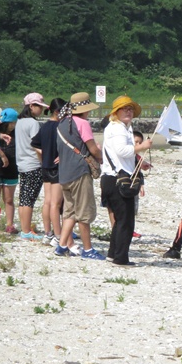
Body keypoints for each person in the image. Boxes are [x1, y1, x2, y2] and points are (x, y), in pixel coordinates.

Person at [100, 96, 152, 266]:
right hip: (117, 179)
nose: (128, 112)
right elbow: (122, 150)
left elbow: (121, 154)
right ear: (116, 112)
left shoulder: (122, 128)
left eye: (130, 109)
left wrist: (139, 161)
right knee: (126, 221)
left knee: (120, 219)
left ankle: (113, 253)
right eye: (125, 109)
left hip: (112, 177)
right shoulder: (117, 128)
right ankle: (120, 258)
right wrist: (142, 147)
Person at [55, 92, 104, 260]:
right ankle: (88, 249)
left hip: (64, 173)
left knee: (69, 211)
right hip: (79, 171)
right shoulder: (82, 123)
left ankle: (62, 245)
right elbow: (92, 148)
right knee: (84, 211)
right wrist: (100, 157)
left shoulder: (62, 123)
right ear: (85, 109)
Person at [31, 97, 69, 246]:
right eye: (65, 112)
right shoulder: (60, 127)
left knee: (47, 201)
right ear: (57, 111)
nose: (67, 115)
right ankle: (58, 235)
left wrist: (44, 155)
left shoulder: (45, 126)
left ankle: (48, 233)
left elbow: (34, 144)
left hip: (45, 166)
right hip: (56, 168)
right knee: (56, 203)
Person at [15, 93, 48, 240]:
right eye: (38, 106)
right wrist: (43, 162)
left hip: (22, 163)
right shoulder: (33, 123)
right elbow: (37, 145)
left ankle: (24, 228)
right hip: (33, 163)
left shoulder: (19, 122)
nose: (40, 110)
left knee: (23, 197)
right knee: (30, 199)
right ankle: (26, 231)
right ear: (31, 106)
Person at [0, 108, 19, 234]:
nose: (12, 126)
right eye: (11, 123)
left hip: (12, 169)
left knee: (9, 199)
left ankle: (10, 224)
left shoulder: (17, 133)